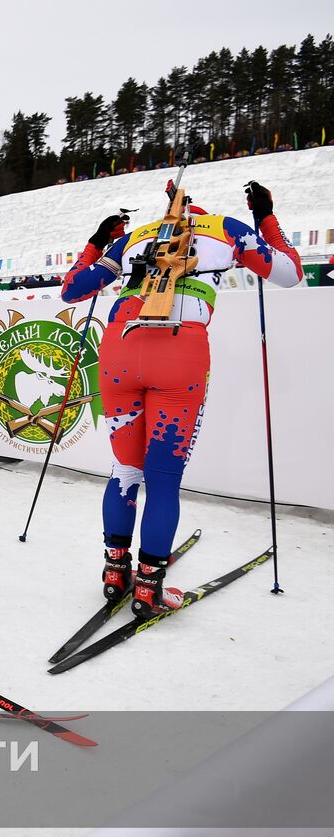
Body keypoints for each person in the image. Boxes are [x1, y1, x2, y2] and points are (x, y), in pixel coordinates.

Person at [60, 180, 300, 617]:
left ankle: (116, 572)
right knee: (163, 477)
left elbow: (73, 289)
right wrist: (264, 217)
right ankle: (148, 585)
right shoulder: (226, 229)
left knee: (125, 471)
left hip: (118, 351)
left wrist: (98, 242)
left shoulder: (135, 237)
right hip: (180, 353)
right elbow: (289, 272)